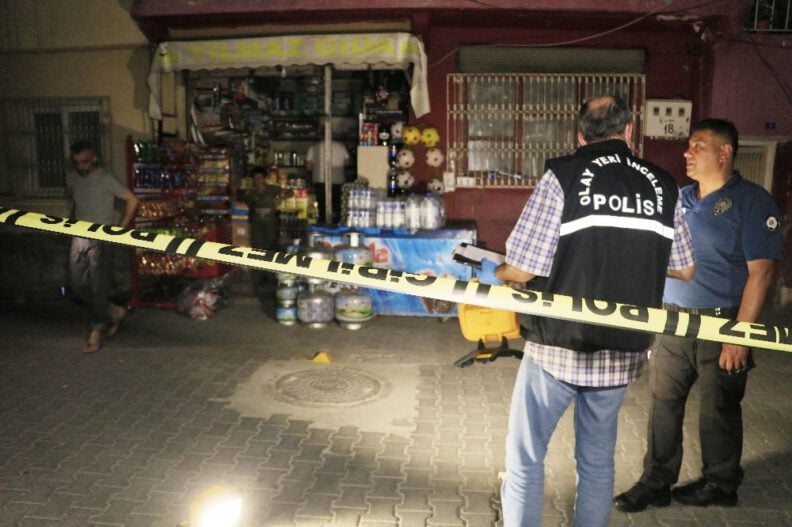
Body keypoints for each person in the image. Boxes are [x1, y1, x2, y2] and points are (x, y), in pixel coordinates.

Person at [477, 95, 696, 527]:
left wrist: (496, 270)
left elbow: (522, 270)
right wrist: (636, 255)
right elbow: (685, 267)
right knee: (596, 464)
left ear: (579, 135)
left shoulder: (564, 175)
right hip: (621, 348)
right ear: (629, 131)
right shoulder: (662, 183)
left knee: (525, 458)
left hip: (557, 347)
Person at [613, 119, 782, 512]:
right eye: (688, 146)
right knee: (663, 405)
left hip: (722, 322)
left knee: (718, 408)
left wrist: (740, 336)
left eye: (698, 146)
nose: (687, 153)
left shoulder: (752, 202)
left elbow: (762, 273)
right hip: (673, 320)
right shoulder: (679, 198)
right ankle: (656, 482)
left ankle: (720, 483)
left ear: (725, 152)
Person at [66, 140, 138, 354]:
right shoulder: (73, 177)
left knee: (99, 287)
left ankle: (96, 332)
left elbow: (132, 200)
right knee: (78, 286)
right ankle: (114, 310)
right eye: (77, 162)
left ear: (94, 158)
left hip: (102, 238)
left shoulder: (106, 178)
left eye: (85, 162)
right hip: (79, 236)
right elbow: (78, 203)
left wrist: (120, 230)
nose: (81, 166)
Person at [245, 165, 289, 292]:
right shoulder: (250, 193)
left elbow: (290, 192)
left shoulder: (273, 189)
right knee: (257, 250)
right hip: (256, 226)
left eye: (260, 178)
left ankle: (271, 276)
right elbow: (249, 207)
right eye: (256, 178)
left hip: (270, 224)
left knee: (271, 248)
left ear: (265, 178)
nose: (258, 180)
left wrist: (280, 199)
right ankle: (260, 278)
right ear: (253, 180)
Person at [305, 139, 350, 223]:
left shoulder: (314, 147)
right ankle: (336, 223)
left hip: (320, 179)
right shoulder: (341, 146)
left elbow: (308, 167)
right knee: (337, 205)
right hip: (338, 180)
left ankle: (323, 223)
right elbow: (347, 163)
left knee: (322, 206)